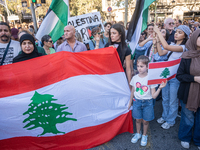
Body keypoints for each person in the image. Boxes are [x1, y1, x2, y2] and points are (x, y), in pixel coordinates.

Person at [154, 25, 190, 129]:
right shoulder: (172, 44)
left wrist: (159, 32)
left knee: (172, 100)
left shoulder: (183, 48)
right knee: (165, 98)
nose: (176, 34)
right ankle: (165, 116)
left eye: (180, 32)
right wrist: (157, 41)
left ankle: (170, 120)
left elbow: (166, 47)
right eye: (176, 32)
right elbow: (161, 53)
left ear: (185, 36)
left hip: (175, 78)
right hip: (166, 76)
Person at [128, 55, 167, 147]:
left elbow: (153, 96)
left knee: (145, 121)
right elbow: (133, 91)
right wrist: (130, 103)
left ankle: (144, 135)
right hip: (137, 102)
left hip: (148, 103)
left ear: (147, 66)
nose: (139, 68)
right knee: (137, 120)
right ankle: (138, 133)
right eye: (138, 66)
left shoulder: (151, 79)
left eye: (142, 66)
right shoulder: (135, 78)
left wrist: (160, 88)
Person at [176, 29, 200, 150]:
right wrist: (194, 78)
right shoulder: (187, 55)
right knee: (188, 117)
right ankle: (185, 137)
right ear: (195, 38)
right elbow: (179, 76)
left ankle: (198, 139)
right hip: (188, 92)